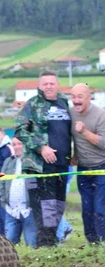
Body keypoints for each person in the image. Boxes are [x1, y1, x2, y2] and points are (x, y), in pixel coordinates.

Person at [14, 70, 72, 247]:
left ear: (57, 84)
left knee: (58, 208)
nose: (48, 86)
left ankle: (53, 242)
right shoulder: (32, 104)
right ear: (40, 86)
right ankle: (46, 246)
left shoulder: (64, 103)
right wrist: (41, 147)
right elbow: (20, 131)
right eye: (45, 83)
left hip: (62, 166)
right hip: (39, 168)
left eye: (52, 83)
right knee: (45, 210)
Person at [69, 83, 105, 243]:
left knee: (100, 208)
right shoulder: (71, 113)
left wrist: (84, 131)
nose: (76, 100)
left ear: (89, 97)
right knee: (87, 209)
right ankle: (92, 242)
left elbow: (103, 143)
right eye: (73, 97)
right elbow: (74, 139)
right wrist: (74, 156)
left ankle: (103, 241)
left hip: (101, 168)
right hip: (82, 169)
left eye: (80, 97)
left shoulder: (100, 115)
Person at [0, 137, 37, 248]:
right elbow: (1, 183)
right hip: (11, 211)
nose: (16, 147)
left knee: (31, 245)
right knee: (8, 246)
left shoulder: (32, 161)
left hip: (28, 211)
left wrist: (32, 205)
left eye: (19, 144)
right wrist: (4, 204)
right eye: (14, 144)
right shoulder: (8, 161)